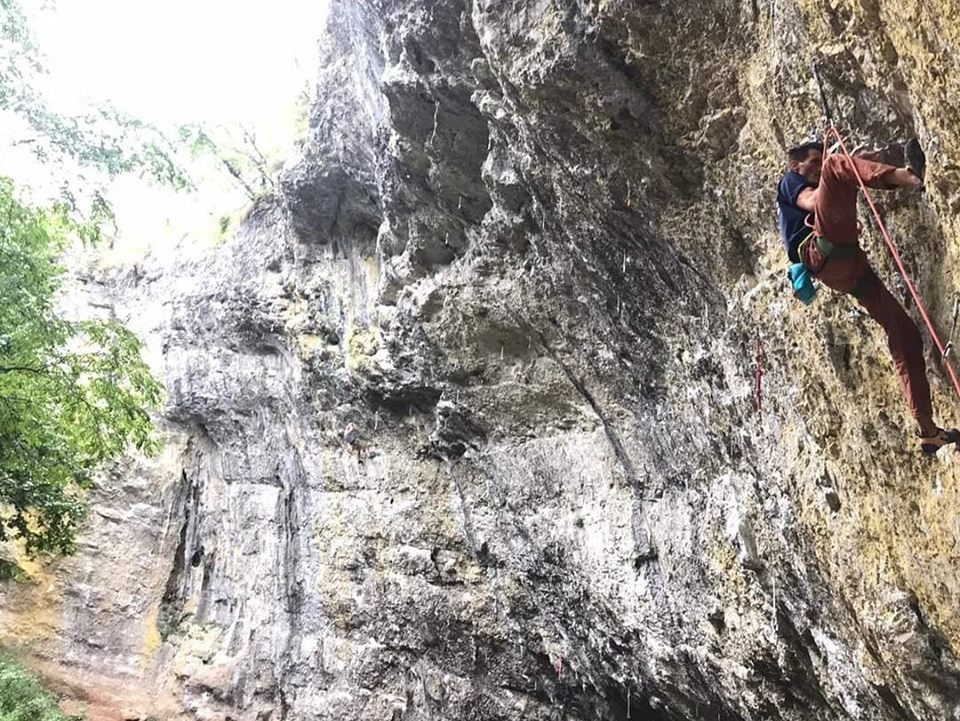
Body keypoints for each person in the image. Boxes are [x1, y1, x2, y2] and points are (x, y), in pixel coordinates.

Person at [776, 138, 959, 455]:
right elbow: (812, 200)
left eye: (820, 161)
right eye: (813, 161)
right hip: (823, 248)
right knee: (838, 165)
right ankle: (908, 176)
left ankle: (928, 430)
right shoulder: (790, 182)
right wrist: (832, 166)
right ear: (796, 165)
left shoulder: (806, 182)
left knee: (904, 334)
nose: (818, 166)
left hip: (844, 267)